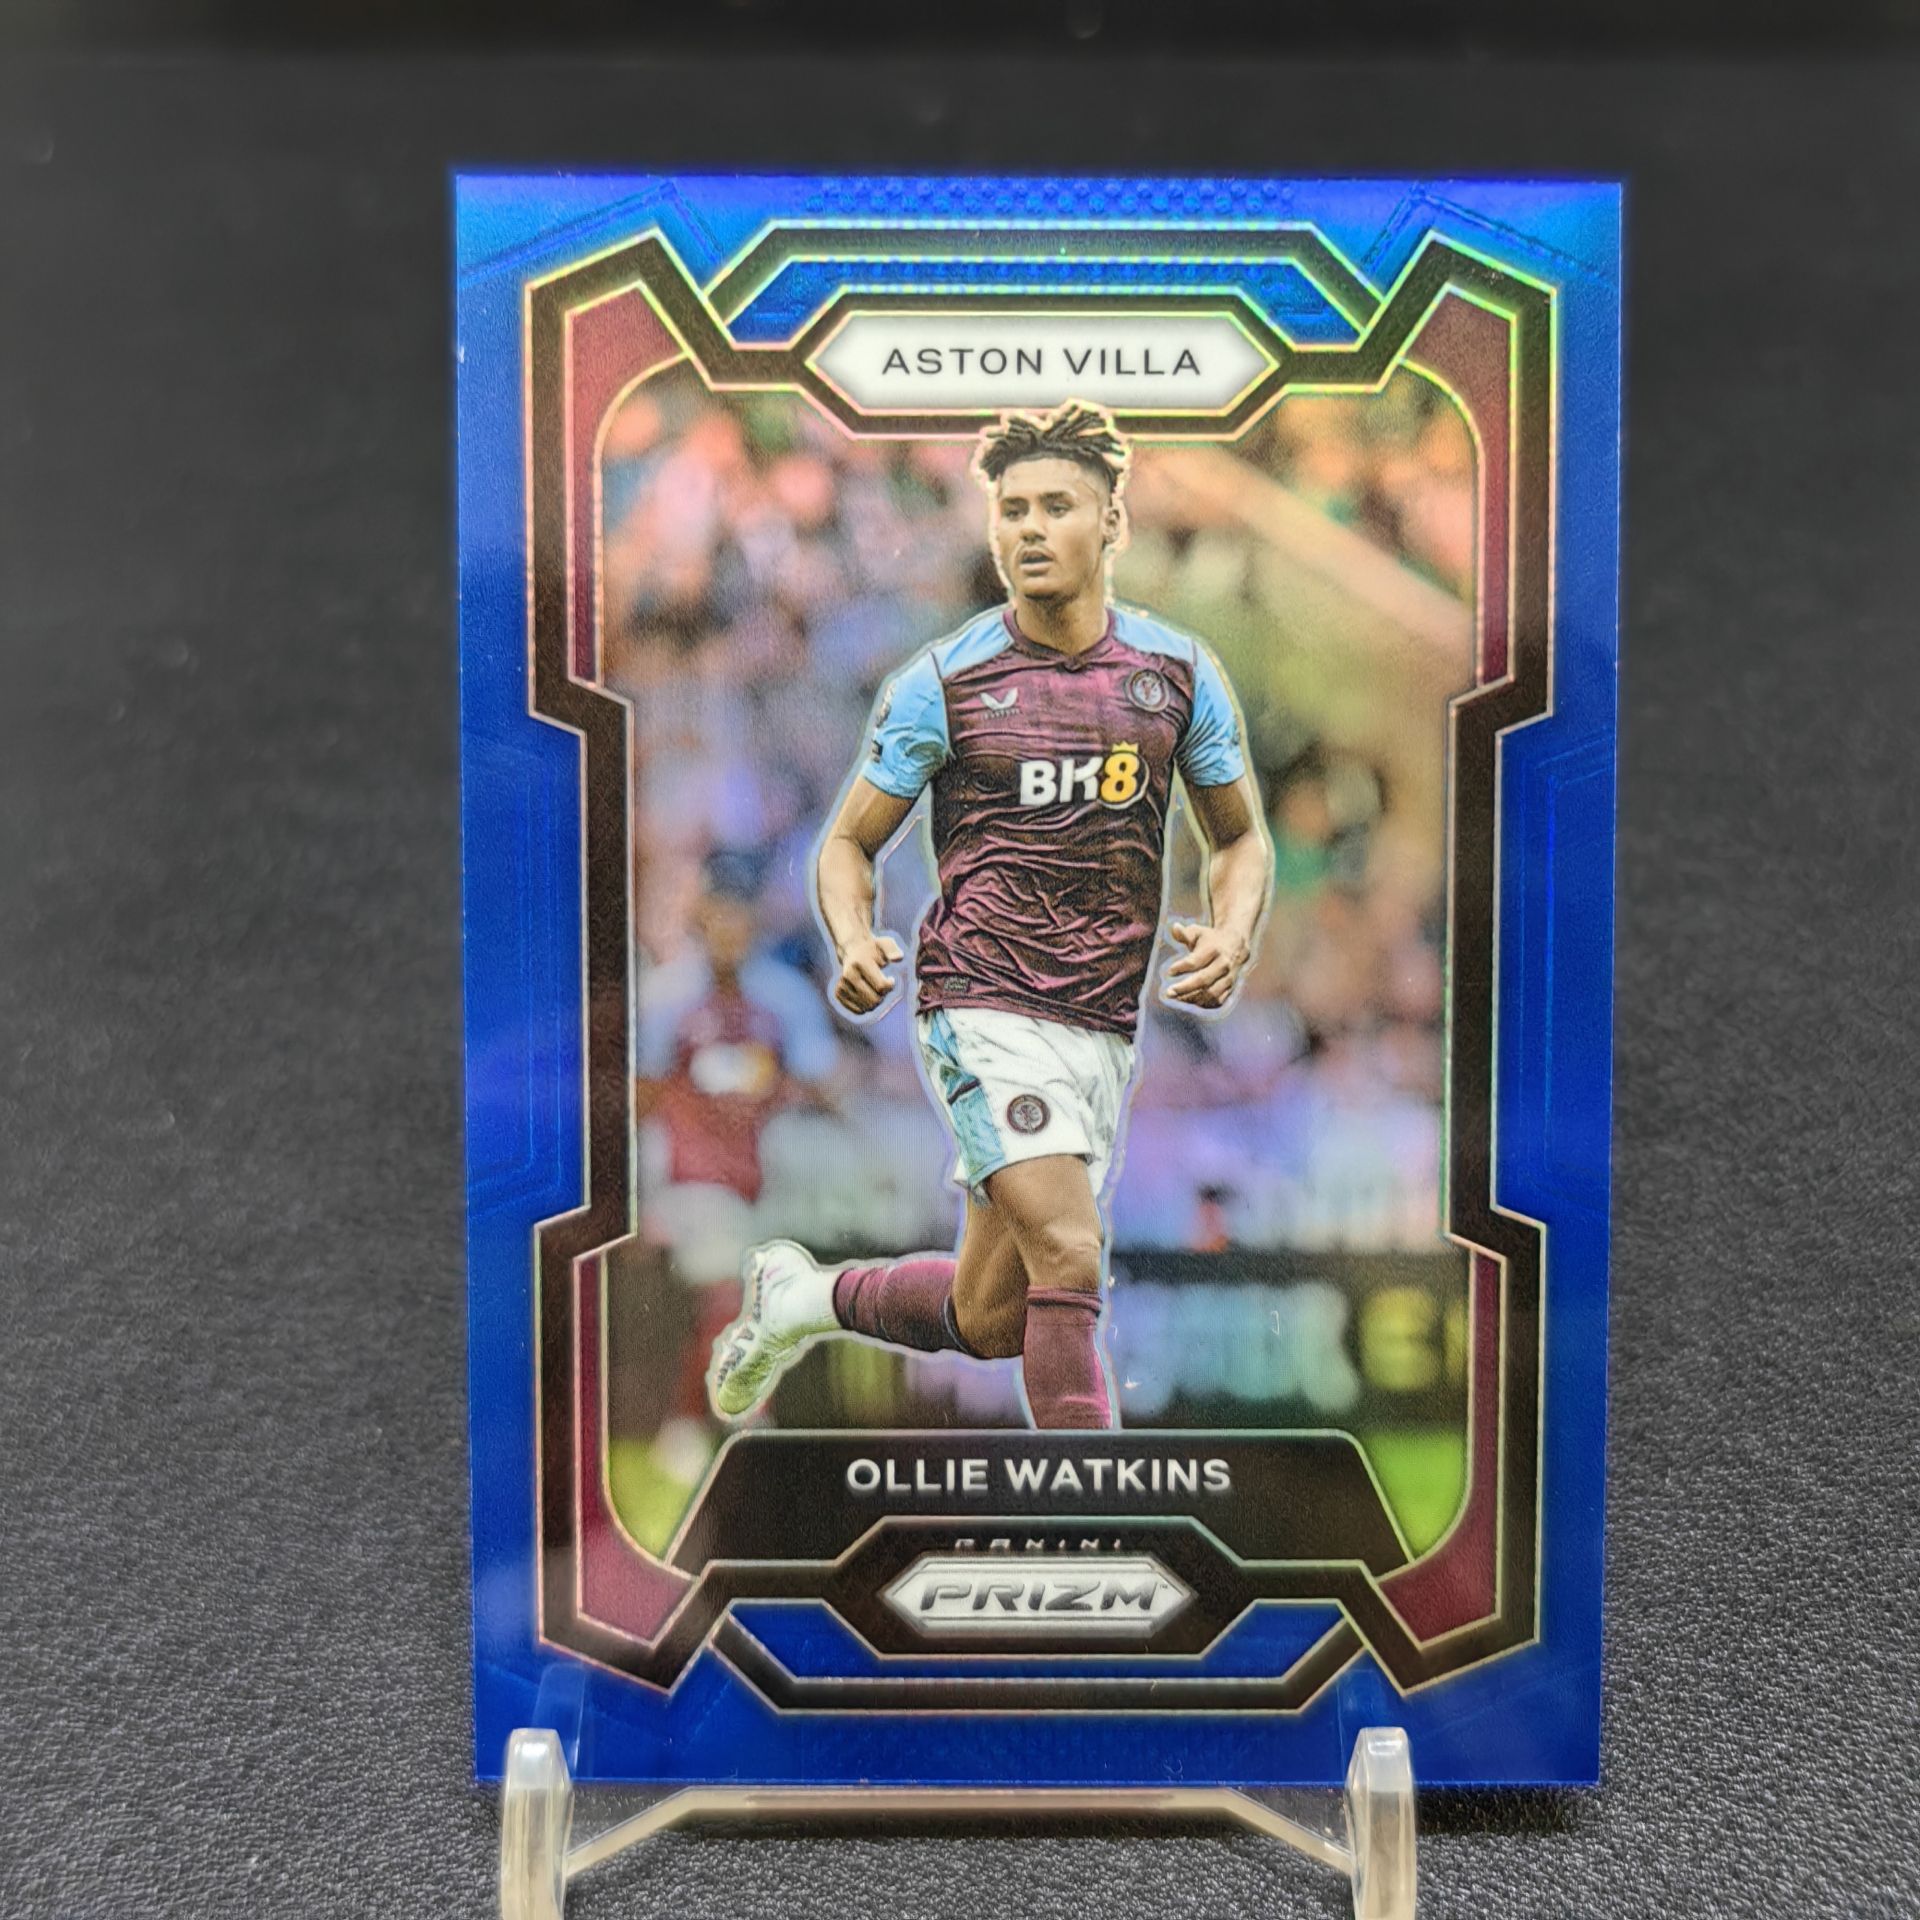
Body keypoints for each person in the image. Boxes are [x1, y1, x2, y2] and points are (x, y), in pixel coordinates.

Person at [706, 400, 1272, 1430]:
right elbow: (846, 843)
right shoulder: (945, 681)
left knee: (993, 1315)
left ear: (1112, 521)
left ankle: (801, 1299)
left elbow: (1239, 838)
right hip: (983, 999)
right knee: (1071, 1250)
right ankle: (1092, 1501)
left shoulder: (1179, 677)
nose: (1030, 528)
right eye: (1013, 509)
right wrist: (854, 937)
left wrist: (1232, 930)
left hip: (1101, 1021)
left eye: (1058, 505)